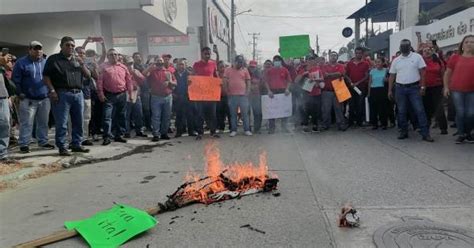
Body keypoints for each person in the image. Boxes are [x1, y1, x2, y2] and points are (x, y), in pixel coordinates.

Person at [43, 36, 92, 156]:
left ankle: (76, 144)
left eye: (72, 46)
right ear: (61, 46)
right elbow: (46, 76)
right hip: (61, 93)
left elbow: (88, 75)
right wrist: (52, 91)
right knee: (62, 122)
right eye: (68, 45)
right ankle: (62, 146)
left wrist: (82, 64)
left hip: (78, 93)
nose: (70, 47)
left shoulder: (77, 59)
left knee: (78, 122)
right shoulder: (53, 59)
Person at [12, 41, 54, 153]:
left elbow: (51, 78)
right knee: (27, 122)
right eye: (35, 49)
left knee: (43, 122)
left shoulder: (46, 62)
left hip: (44, 98)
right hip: (27, 99)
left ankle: (43, 141)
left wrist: (51, 91)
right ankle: (24, 143)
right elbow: (15, 80)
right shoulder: (21, 62)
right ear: (29, 50)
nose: (38, 51)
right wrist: (19, 93)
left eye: (40, 49)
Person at [388, 39, 434, 142]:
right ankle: (403, 131)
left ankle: (425, 133)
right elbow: (392, 76)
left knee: (420, 110)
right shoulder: (396, 60)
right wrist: (390, 90)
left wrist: (423, 86)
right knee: (401, 111)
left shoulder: (417, 57)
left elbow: (423, 73)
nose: (404, 47)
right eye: (402, 46)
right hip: (400, 88)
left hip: (414, 88)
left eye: (406, 46)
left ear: (410, 47)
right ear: (400, 47)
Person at [97, 48, 133, 145]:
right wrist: (101, 94)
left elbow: (129, 81)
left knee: (121, 116)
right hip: (109, 95)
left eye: (115, 54)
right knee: (107, 117)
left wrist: (130, 94)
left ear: (118, 56)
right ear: (108, 57)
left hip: (122, 94)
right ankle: (107, 137)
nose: (113, 56)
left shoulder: (123, 67)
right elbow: (99, 82)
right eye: (111, 55)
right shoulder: (103, 67)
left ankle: (119, 136)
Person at [443, 35, 474, 144]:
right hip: (457, 90)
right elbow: (447, 73)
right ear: (462, 45)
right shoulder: (455, 57)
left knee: (470, 113)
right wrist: (446, 87)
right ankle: (461, 134)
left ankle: (468, 133)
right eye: (466, 42)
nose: (469, 44)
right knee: (460, 112)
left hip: (472, 91)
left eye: (472, 42)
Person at [143, 57, 176, 142]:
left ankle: (164, 133)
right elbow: (143, 74)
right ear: (155, 62)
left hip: (168, 97)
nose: (159, 62)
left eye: (161, 61)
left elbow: (175, 83)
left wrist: (169, 82)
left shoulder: (168, 72)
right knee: (156, 116)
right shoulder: (152, 72)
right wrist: (151, 65)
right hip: (156, 97)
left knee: (167, 116)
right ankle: (156, 134)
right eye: (158, 61)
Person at [192, 47, 220, 140]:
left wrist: (219, 82)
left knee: (212, 113)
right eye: (205, 53)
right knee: (200, 113)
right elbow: (192, 77)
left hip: (211, 93)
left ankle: (213, 131)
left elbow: (216, 76)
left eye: (209, 54)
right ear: (202, 54)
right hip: (200, 94)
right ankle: (200, 132)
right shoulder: (196, 64)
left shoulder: (213, 64)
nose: (207, 55)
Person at [421, 46, 448, 135]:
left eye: (428, 50)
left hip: (437, 87)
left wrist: (445, 86)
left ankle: (443, 128)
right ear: (422, 53)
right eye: (425, 51)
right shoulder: (420, 62)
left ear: (432, 51)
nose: (427, 52)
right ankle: (426, 127)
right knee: (426, 108)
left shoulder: (438, 61)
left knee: (439, 107)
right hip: (425, 88)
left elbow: (443, 74)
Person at [223, 55, 252, 137]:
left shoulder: (245, 70)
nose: (240, 64)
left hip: (243, 95)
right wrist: (226, 90)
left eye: (241, 62)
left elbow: (248, 81)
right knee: (233, 114)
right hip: (232, 96)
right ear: (235, 61)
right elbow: (224, 80)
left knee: (245, 114)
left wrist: (248, 91)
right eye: (239, 62)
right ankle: (233, 130)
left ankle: (247, 130)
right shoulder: (228, 70)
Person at [73, 46, 96, 146]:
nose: (81, 55)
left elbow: (93, 76)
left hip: (86, 94)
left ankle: (84, 138)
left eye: (83, 53)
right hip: (75, 94)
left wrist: (94, 67)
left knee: (86, 118)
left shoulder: (88, 64)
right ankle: (72, 139)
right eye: (79, 53)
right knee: (73, 118)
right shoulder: (71, 63)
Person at [295, 56, 323, 133]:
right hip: (306, 93)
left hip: (316, 92)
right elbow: (296, 81)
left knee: (316, 109)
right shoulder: (302, 69)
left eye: (312, 60)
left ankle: (315, 125)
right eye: (309, 60)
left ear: (315, 61)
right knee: (305, 109)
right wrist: (303, 74)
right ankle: (305, 125)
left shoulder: (318, 69)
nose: (310, 62)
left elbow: (322, 79)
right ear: (306, 61)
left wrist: (315, 80)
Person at [264, 55, 292, 134]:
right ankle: (272, 128)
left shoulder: (285, 70)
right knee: (272, 111)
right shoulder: (269, 71)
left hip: (283, 92)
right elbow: (266, 82)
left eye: (278, 60)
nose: (276, 61)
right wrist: (269, 91)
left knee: (284, 110)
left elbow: (289, 81)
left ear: (280, 61)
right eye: (275, 60)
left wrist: (287, 89)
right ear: (273, 61)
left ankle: (284, 127)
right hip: (272, 92)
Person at [321, 52, 348, 131]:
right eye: (332, 56)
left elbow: (340, 74)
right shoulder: (324, 66)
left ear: (337, 57)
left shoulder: (341, 66)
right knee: (326, 109)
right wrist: (335, 74)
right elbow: (324, 75)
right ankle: (325, 124)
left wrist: (329, 75)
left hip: (339, 89)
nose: (333, 57)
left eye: (335, 55)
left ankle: (340, 125)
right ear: (329, 57)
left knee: (339, 109)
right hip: (327, 90)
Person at [124, 56, 147, 138]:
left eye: (131, 63)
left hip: (136, 94)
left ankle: (139, 130)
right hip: (126, 94)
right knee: (126, 114)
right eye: (128, 63)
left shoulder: (136, 71)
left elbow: (143, 81)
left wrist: (137, 75)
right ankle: (126, 131)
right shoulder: (122, 71)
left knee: (138, 114)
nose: (130, 65)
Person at [346, 47, 370, 127]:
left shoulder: (366, 64)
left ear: (362, 54)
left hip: (361, 87)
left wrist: (358, 82)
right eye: (357, 53)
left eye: (360, 53)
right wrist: (350, 82)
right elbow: (346, 75)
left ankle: (359, 121)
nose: (358, 54)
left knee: (360, 104)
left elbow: (367, 76)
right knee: (351, 105)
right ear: (354, 53)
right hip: (351, 87)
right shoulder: (350, 63)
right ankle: (351, 122)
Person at [174, 58, 196, 137]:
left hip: (188, 97)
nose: (181, 66)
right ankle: (179, 132)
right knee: (179, 115)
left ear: (185, 65)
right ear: (176, 66)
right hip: (178, 97)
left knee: (190, 115)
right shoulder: (173, 74)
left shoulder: (189, 75)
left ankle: (191, 131)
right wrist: (173, 94)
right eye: (179, 64)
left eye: (182, 64)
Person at [368, 58, 389, 129]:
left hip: (382, 90)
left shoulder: (386, 70)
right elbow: (370, 82)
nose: (377, 63)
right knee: (373, 108)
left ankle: (384, 123)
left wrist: (387, 80)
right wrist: (369, 92)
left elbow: (391, 79)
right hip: (373, 90)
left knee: (383, 108)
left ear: (383, 63)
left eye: (379, 62)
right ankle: (374, 124)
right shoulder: (372, 71)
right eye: (376, 62)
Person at [248, 60, 263, 134]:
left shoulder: (259, 74)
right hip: (247, 96)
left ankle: (257, 128)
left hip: (257, 95)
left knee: (257, 112)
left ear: (256, 67)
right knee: (247, 113)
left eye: (253, 67)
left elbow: (262, 84)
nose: (252, 68)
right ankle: (248, 129)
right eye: (251, 66)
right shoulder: (246, 73)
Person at [0, 67, 12, 162]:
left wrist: (8, 97)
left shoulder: (1, 68)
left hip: (3, 97)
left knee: (5, 124)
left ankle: (2, 153)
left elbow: (5, 83)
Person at [216, 60, 230, 133]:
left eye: (223, 67)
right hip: (218, 96)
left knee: (229, 112)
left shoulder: (228, 75)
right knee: (219, 112)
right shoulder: (215, 75)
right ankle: (221, 127)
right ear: (217, 67)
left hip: (227, 96)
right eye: (220, 67)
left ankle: (231, 128)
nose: (222, 68)